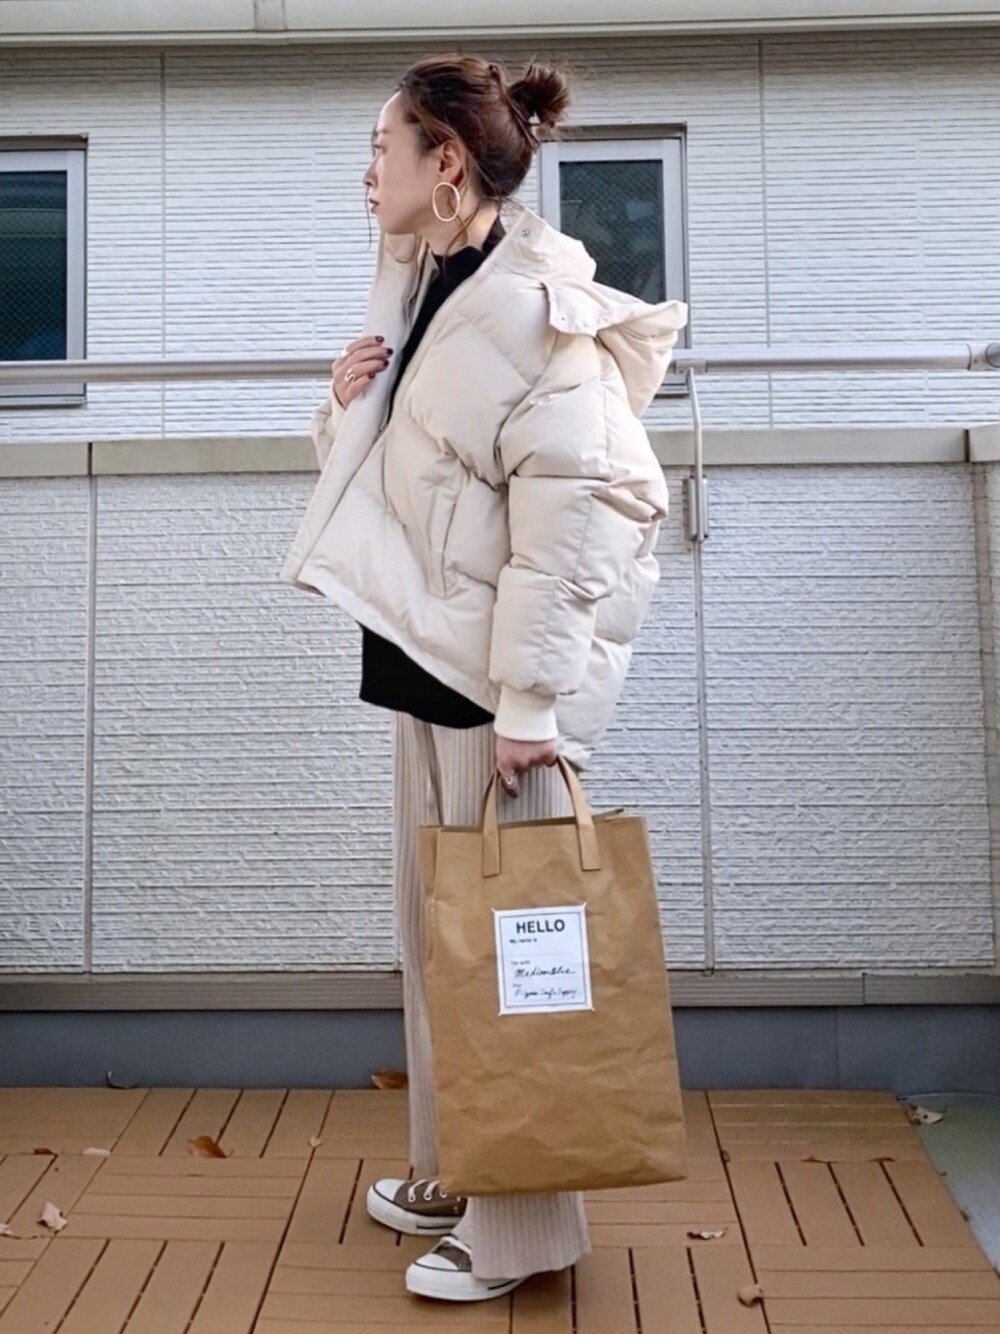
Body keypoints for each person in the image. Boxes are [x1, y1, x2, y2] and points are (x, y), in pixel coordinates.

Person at [279, 53, 687, 1304]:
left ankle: (522, 1229)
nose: (367, 172)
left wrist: (532, 706)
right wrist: (343, 405)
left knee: (515, 953)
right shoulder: (430, 284)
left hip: (493, 695)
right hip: (428, 662)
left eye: (383, 147)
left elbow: (581, 518)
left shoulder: (530, 308)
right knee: (441, 939)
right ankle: (463, 1166)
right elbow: (422, 478)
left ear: (443, 161)